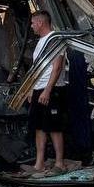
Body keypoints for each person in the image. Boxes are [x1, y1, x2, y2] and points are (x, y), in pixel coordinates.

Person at [22, 11, 71, 174]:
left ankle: (59, 163)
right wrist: (32, 89)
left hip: (52, 90)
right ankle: (39, 164)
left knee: (54, 127)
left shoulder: (54, 39)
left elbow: (57, 67)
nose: (31, 26)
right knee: (39, 127)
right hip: (39, 89)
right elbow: (37, 69)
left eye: (33, 23)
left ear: (40, 23)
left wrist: (47, 90)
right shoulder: (40, 42)